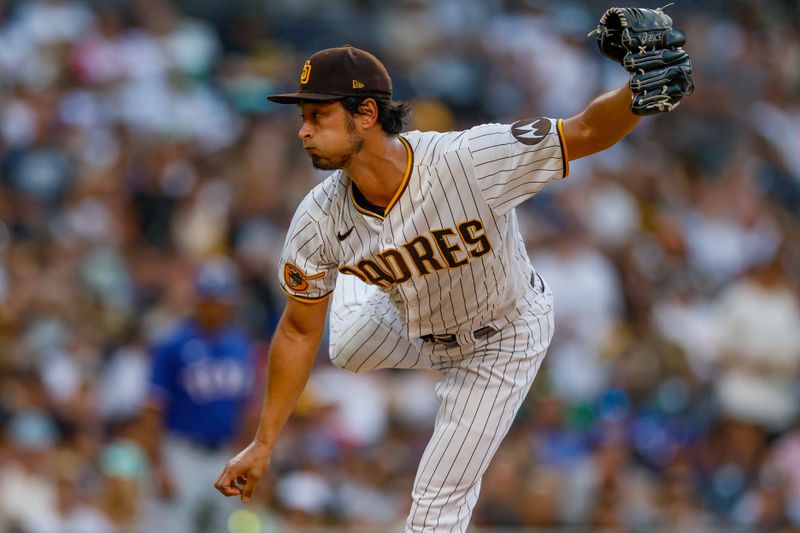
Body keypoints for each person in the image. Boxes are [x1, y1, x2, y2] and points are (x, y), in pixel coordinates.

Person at [215, 8, 693, 531]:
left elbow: (582, 132)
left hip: (502, 336)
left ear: (367, 114)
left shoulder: (468, 159)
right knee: (342, 345)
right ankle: (366, 279)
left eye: (318, 115)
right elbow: (298, 328)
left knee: (435, 506)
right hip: (413, 323)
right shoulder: (317, 218)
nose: (303, 131)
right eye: (302, 117)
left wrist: (634, 96)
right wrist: (263, 443)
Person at [144, 257, 256, 532]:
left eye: (222, 300)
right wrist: (159, 465)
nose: (217, 307)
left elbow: (247, 408)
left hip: (224, 454)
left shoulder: (239, 345)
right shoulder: (174, 343)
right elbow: (152, 409)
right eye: (212, 299)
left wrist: (243, 454)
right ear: (200, 299)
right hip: (181, 452)